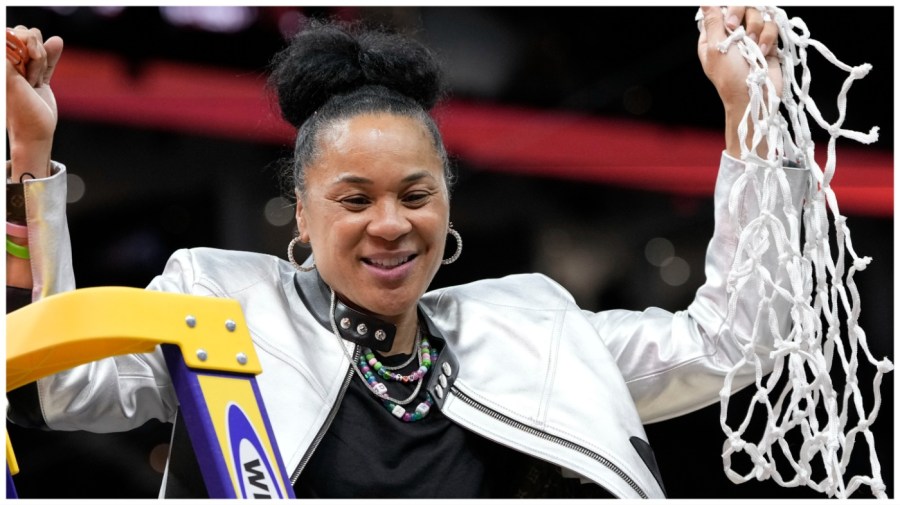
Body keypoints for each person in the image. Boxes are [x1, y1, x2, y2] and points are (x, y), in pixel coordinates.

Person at [6, 7, 801, 498]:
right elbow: (68, 385)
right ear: (305, 217)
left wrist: (751, 114)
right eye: (355, 200)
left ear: (446, 203)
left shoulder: (535, 325)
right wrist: (31, 159)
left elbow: (735, 339)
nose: (390, 223)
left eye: (415, 195)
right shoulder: (221, 301)